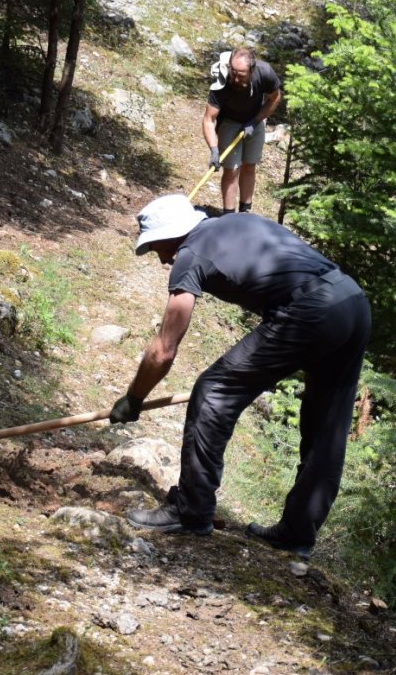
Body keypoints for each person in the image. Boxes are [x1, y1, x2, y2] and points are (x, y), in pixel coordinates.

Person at [109, 194, 370, 559]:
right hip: (352, 301)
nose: (161, 258)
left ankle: (191, 509)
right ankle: (296, 534)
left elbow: (165, 347)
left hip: (311, 309)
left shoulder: (190, 253)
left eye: (156, 247)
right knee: (328, 428)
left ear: (174, 235)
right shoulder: (232, 222)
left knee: (213, 392)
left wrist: (134, 397)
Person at [203, 46, 282, 214]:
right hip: (229, 122)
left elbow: (275, 98)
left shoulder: (265, 72)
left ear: (251, 70)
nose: (236, 78)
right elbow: (209, 119)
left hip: (255, 120)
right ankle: (229, 214)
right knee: (231, 169)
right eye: (234, 72)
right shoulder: (222, 81)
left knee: (249, 165)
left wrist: (255, 121)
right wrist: (214, 149)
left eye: (241, 74)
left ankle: (245, 211)